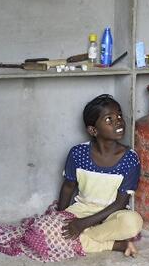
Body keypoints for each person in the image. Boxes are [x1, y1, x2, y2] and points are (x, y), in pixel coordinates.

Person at [57, 94, 143, 256]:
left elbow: (120, 203)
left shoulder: (130, 159)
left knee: (133, 222)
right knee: (54, 232)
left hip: (112, 214)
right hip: (83, 210)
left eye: (119, 116)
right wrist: (59, 217)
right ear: (93, 130)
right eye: (109, 119)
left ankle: (86, 238)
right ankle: (116, 245)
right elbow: (68, 187)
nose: (118, 121)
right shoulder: (78, 154)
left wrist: (82, 225)